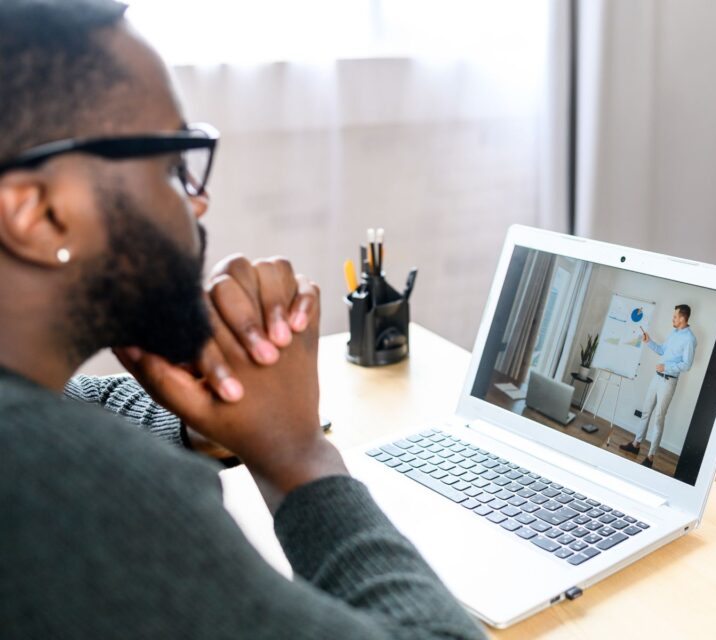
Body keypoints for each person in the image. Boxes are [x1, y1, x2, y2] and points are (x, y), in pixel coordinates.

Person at [0, 2, 485, 638]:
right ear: (37, 214)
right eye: (172, 167)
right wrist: (298, 457)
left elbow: (76, 403)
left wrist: (208, 415)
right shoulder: (74, 491)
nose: (198, 200)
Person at [619, 304, 697, 469]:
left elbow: (687, 365)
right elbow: (662, 351)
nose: (673, 319)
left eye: (675, 316)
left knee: (659, 418)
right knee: (646, 412)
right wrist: (649, 342)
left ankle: (650, 457)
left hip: (668, 381)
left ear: (682, 318)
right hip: (657, 377)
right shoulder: (674, 333)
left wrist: (666, 367)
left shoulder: (690, 339)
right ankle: (636, 444)